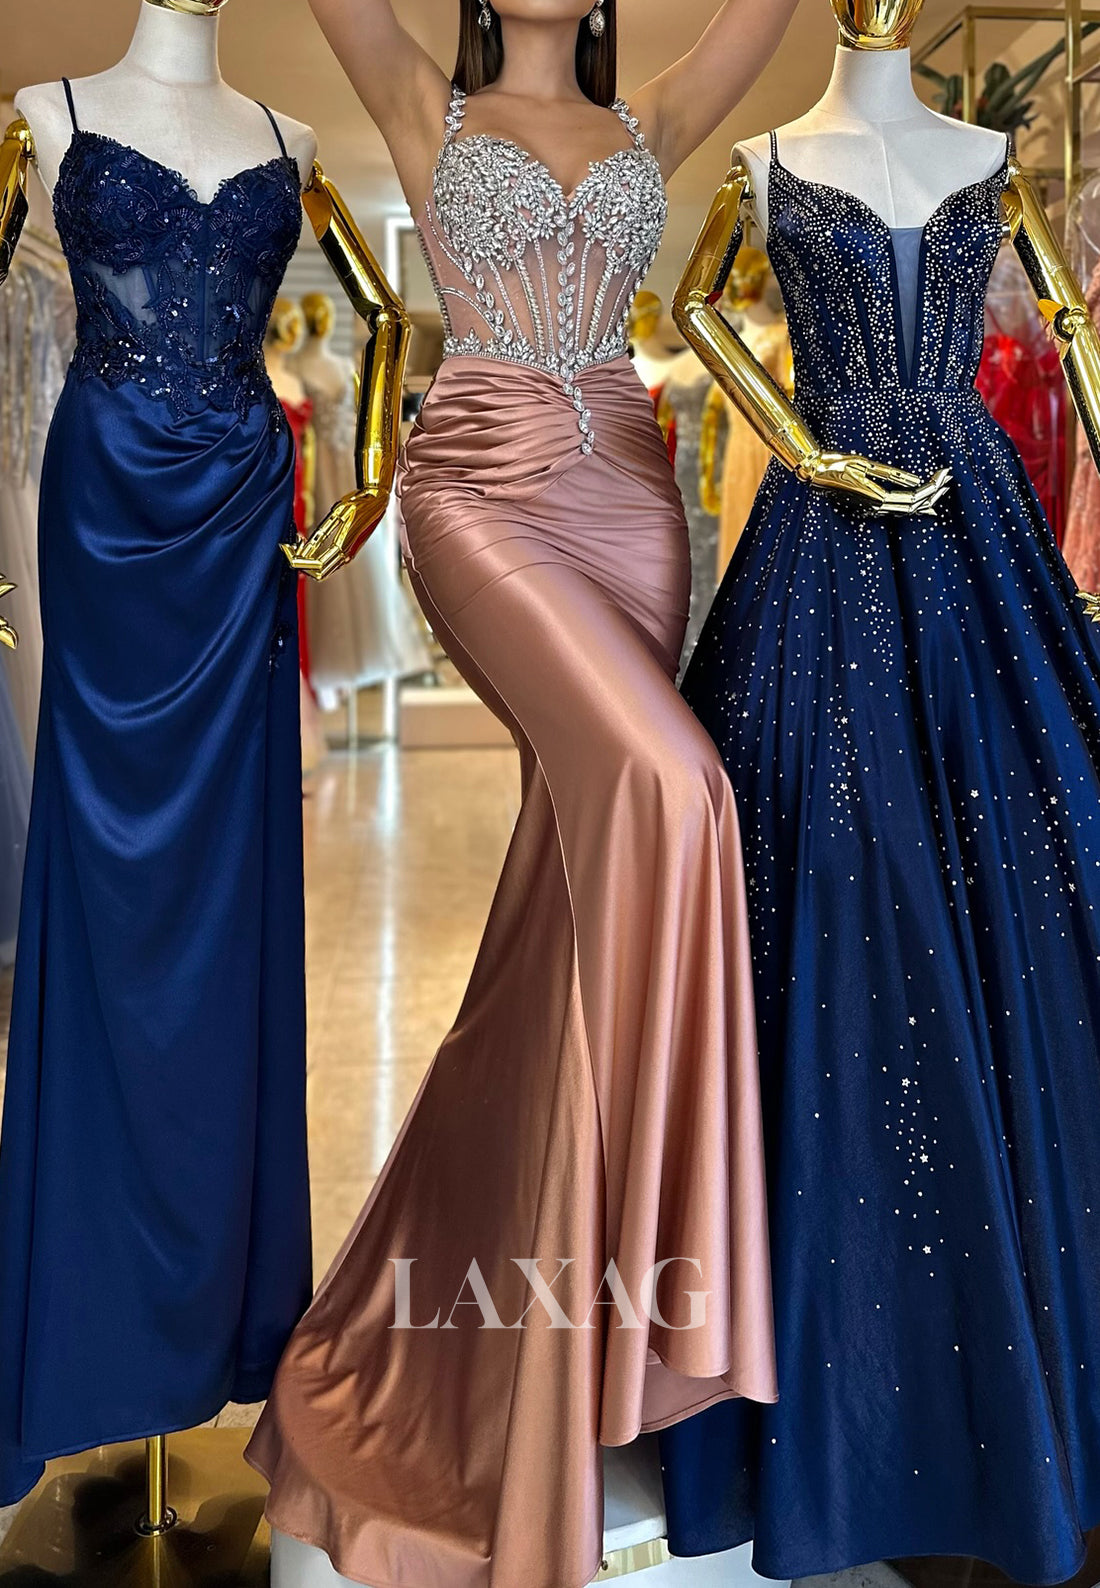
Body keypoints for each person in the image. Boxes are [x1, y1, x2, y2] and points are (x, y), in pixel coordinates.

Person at [245, 2, 803, 1587]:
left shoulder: (654, 122)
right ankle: (656, 1310)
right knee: (675, 784)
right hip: (479, 492)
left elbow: (759, 18)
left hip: (631, 503)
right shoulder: (419, 97)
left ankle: (540, 1347)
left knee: (567, 914)